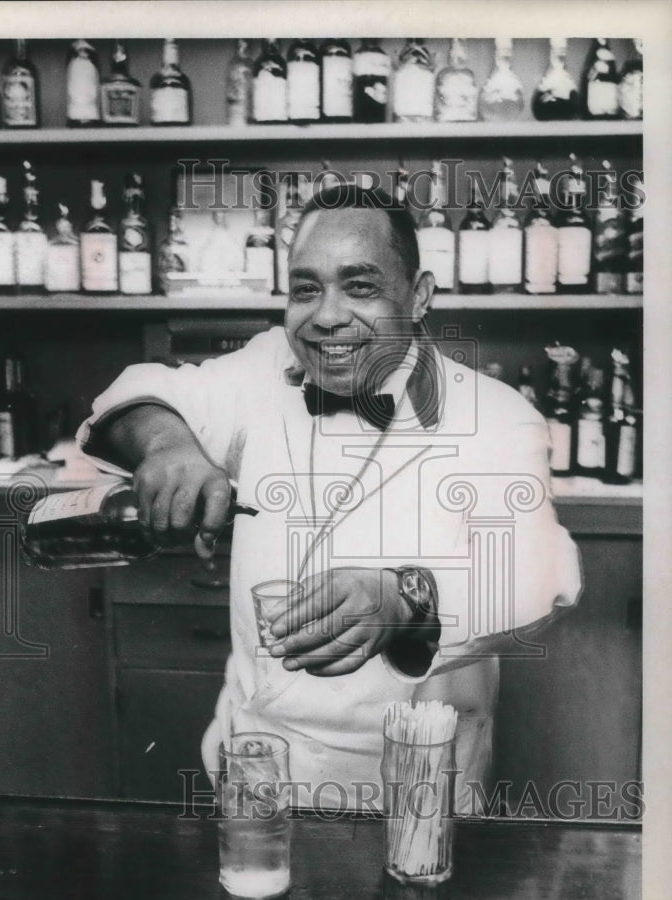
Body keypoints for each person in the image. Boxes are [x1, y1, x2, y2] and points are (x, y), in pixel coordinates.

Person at [77, 183, 582, 813]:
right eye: (305, 288)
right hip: (258, 765)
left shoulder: (496, 416)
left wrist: (404, 597)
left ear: (419, 295)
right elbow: (136, 392)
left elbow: (541, 576)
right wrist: (166, 444)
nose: (326, 316)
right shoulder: (266, 368)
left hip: (418, 783)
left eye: (360, 287)